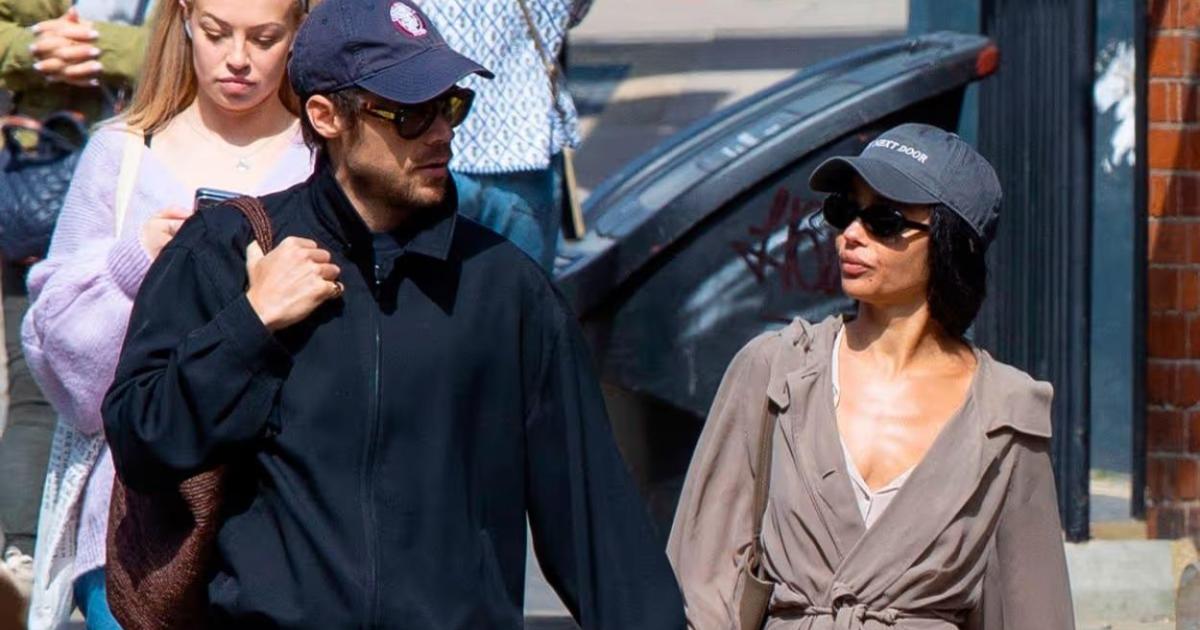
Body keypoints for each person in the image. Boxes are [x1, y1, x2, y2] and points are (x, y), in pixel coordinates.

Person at [102, 0, 684, 627]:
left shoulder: (508, 290)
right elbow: (143, 444)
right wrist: (251, 325)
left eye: (449, 105)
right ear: (326, 116)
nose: (440, 133)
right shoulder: (226, 254)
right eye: (408, 114)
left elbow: (595, 526)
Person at [667, 123, 1074, 629]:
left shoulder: (1004, 415)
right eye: (844, 211)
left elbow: (1031, 610)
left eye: (884, 220)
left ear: (949, 243)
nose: (852, 235)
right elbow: (702, 579)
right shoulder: (776, 372)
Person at [21, 0, 311, 624]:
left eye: (265, 38)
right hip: (134, 536)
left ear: (297, 31)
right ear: (182, 19)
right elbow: (66, 377)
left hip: (283, 527)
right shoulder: (122, 155)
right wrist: (136, 264)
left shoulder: (321, 158)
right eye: (216, 33)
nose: (238, 59)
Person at [0, 0, 152, 604]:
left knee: (139, 380)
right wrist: (31, 49)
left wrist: (96, 47)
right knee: (37, 387)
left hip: (141, 183)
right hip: (40, 179)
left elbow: (198, 39)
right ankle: (22, 558)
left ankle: (126, 557)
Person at [412, 0, 592, 271]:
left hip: (432, 141)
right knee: (523, 288)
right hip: (524, 141)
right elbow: (575, 12)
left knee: (426, 286)